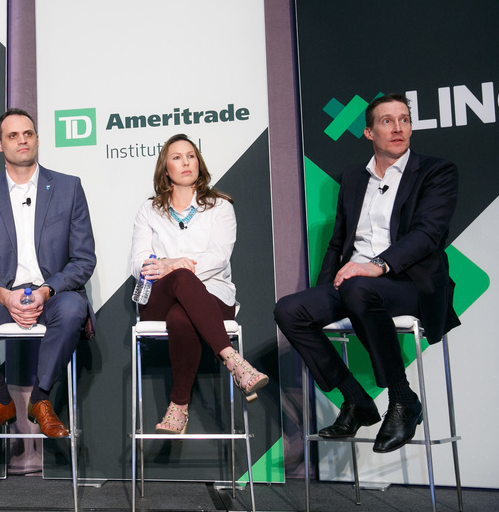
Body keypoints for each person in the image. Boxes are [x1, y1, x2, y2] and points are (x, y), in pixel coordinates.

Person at [275, 93, 459, 453]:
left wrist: (375, 267)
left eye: (404, 119)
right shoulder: (353, 179)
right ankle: (356, 399)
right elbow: (338, 241)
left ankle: (403, 400)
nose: (398, 128)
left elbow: (427, 235)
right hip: (357, 283)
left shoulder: (437, 172)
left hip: (411, 284)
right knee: (289, 309)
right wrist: (328, 288)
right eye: (387, 121)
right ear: (368, 132)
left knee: (359, 288)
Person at [0, 109, 96, 438]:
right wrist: (3, 293)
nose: (22, 140)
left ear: (38, 140)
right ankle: (0, 398)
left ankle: (41, 399)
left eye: (28, 134)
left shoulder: (68, 188)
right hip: (5, 295)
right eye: (13, 136)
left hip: (53, 295)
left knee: (75, 307)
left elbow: (83, 259)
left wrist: (46, 291)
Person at [130, 134, 268, 434]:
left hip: (214, 295)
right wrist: (172, 266)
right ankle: (232, 360)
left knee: (181, 316)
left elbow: (218, 258)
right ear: (165, 168)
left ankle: (178, 407)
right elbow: (139, 262)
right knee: (180, 278)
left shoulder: (220, 206)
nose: (186, 162)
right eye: (177, 157)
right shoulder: (149, 210)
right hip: (158, 297)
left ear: (199, 162)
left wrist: (174, 261)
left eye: (191, 155)